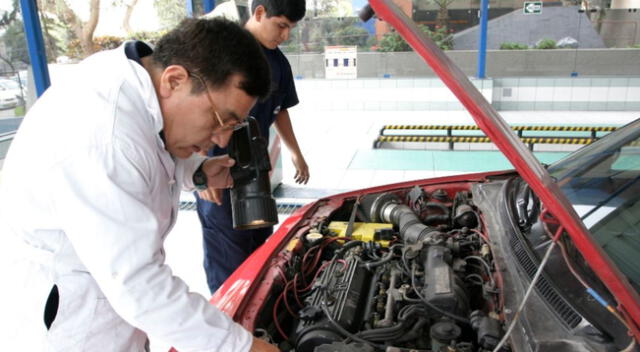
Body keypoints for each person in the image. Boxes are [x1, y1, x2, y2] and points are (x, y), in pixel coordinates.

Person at [0, 18, 280, 352]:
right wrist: (241, 347)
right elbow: (138, 282)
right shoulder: (103, 134)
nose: (220, 139)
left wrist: (198, 170)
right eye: (220, 121)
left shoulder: (137, 83)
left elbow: (148, 148)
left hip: (107, 304)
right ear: (174, 79)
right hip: (71, 327)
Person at [197, 0, 309, 294]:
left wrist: (295, 151)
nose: (285, 35)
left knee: (261, 249)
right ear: (259, 13)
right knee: (228, 256)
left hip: (254, 170)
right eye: (281, 25)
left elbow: (280, 108)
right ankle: (227, 318)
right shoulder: (224, 52)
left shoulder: (278, 62)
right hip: (216, 168)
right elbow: (195, 110)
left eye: (290, 29)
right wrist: (198, 168)